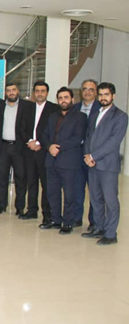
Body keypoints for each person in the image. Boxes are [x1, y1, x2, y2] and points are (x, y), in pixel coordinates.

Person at [82, 82, 128, 245]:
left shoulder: (120, 116)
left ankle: (110, 234)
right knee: (96, 199)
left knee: (110, 201)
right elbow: (88, 137)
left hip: (107, 166)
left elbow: (113, 142)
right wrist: (87, 156)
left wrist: (93, 156)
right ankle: (99, 228)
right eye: (100, 95)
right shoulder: (95, 114)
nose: (103, 98)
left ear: (113, 96)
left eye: (106, 94)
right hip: (92, 164)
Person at [39, 87, 87, 234]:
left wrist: (57, 147)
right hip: (51, 161)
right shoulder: (53, 116)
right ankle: (55, 220)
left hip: (69, 162)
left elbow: (77, 138)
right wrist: (49, 146)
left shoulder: (80, 117)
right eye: (60, 98)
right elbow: (44, 135)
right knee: (52, 193)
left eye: (66, 97)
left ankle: (68, 222)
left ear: (72, 99)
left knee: (69, 194)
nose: (63, 100)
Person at [20, 81, 58, 223]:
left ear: (47, 93)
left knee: (46, 184)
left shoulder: (54, 109)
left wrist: (40, 143)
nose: (40, 93)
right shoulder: (28, 108)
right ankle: (32, 210)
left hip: (45, 151)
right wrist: (30, 141)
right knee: (31, 182)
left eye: (42, 91)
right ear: (34, 93)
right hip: (29, 151)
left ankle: (47, 214)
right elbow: (21, 128)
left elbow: (54, 131)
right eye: (37, 91)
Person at [0, 83, 32, 215]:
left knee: (20, 178)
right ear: (5, 93)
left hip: (19, 148)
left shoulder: (27, 106)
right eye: (8, 90)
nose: (11, 93)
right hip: (3, 147)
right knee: (1, 178)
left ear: (18, 91)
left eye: (13, 90)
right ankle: (1, 205)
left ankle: (20, 207)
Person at [73, 79, 101, 230]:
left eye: (91, 89)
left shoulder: (101, 108)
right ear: (81, 91)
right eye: (85, 89)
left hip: (93, 155)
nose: (87, 92)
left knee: (94, 190)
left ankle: (94, 221)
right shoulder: (75, 108)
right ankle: (76, 218)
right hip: (76, 154)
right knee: (77, 188)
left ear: (96, 92)